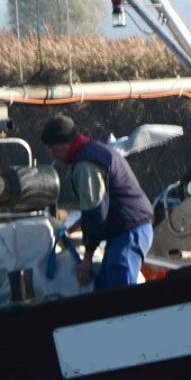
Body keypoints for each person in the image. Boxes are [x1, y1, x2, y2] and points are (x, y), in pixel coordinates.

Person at [42, 114, 154, 289]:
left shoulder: (86, 165)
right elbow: (101, 205)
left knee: (122, 295)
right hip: (130, 230)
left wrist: (86, 260)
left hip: (129, 233)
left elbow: (96, 213)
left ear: (64, 143)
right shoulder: (94, 150)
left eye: (52, 147)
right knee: (103, 287)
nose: (51, 153)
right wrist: (77, 225)